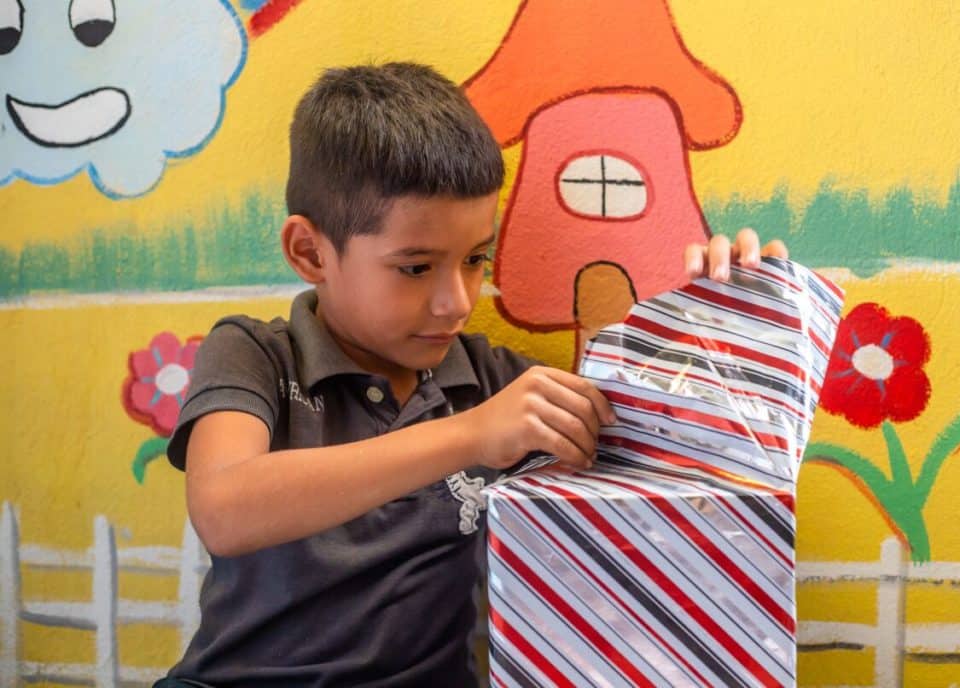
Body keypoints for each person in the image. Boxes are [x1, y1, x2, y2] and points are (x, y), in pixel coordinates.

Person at [156, 62, 787, 688]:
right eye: (415, 267)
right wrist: (470, 437)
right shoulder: (255, 354)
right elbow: (225, 508)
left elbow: (661, 447)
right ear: (309, 252)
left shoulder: (495, 382)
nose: (456, 302)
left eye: (475, 260)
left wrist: (722, 321)